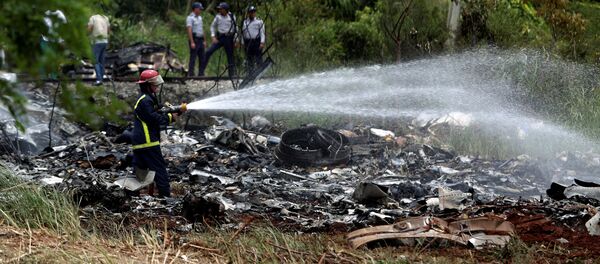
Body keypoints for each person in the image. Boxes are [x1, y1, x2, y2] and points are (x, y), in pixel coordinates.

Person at [132, 70, 184, 197]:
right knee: (159, 170)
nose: (157, 86)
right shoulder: (145, 101)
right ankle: (166, 198)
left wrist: (177, 109)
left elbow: (159, 110)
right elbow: (154, 118)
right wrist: (171, 117)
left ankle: (132, 198)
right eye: (154, 84)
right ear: (147, 85)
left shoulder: (147, 99)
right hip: (148, 142)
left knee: (140, 173)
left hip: (140, 143)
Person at [199, 2, 238, 78]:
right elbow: (212, 27)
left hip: (229, 38)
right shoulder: (217, 17)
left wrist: (236, 40)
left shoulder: (232, 16)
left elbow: (236, 28)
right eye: (219, 9)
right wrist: (213, 36)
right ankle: (201, 72)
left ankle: (232, 75)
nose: (219, 10)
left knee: (230, 57)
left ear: (225, 9)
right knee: (208, 52)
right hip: (220, 38)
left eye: (221, 9)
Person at [242, 6, 265, 75]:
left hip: (256, 41)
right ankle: (250, 73)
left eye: (253, 12)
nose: (252, 14)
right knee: (249, 58)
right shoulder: (245, 22)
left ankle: (260, 72)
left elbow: (262, 32)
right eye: (251, 12)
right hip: (248, 42)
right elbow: (243, 33)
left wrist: (262, 42)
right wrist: (242, 42)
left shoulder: (259, 21)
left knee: (258, 57)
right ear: (248, 13)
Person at [87, 14, 110, 86]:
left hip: (96, 41)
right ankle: (102, 77)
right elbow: (109, 30)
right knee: (102, 60)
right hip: (105, 41)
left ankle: (99, 80)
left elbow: (90, 28)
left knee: (95, 61)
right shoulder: (105, 17)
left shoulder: (93, 18)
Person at [186, 2, 206, 76]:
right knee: (193, 57)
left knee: (202, 57)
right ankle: (191, 74)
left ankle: (201, 73)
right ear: (195, 9)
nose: (200, 10)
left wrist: (204, 40)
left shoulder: (200, 18)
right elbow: (189, 29)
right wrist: (192, 41)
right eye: (199, 9)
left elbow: (202, 29)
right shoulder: (190, 18)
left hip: (200, 39)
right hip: (195, 39)